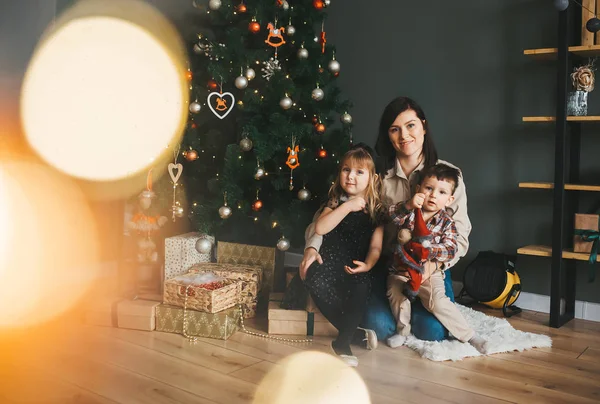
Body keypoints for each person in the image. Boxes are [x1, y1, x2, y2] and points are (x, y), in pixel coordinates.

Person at [300, 96, 472, 343]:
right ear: (388, 135)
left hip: (429, 269)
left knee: (431, 332)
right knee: (381, 327)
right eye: (395, 129)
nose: (404, 135)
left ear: (423, 126)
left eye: (411, 125)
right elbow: (327, 212)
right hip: (388, 267)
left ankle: (430, 314)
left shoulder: (448, 177)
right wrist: (310, 247)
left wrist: (432, 267)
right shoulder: (376, 173)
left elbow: (461, 238)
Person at [386, 164, 488, 353]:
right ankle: (403, 331)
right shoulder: (410, 213)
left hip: (429, 272)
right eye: (428, 188)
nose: (433, 195)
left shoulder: (446, 222)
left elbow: (450, 248)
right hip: (402, 269)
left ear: (449, 199)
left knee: (437, 301)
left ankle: (470, 335)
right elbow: (391, 215)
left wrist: (426, 249)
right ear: (419, 190)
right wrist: (409, 204)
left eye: (441, 192)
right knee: (396, 293)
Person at [301, 145, 384, 367]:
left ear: (372, 178)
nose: (351, 177)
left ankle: (343, 340)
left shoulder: (377, 211)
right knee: (314, 278)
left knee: (361, 287)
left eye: (359, 172)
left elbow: (376, 247)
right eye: (346, 170)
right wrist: (347, 207)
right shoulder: (336, 201)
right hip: (330, 259)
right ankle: (349, 337)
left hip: (356, 264)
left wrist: (368, 264)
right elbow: (320, 228)